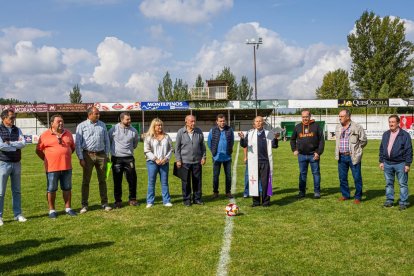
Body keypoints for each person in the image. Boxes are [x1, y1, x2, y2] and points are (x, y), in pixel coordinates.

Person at [36, 114, 77, 218]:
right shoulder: (45, 135)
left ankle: (68, 208)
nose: (61, 123)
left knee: (67, 188)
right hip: (52, 168)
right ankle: (52, 210)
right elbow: (38, 150)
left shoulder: (68, 133)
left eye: (62, 121)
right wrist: (47, 159)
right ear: (52, 123)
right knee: (51, 189)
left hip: (67, 167)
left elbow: (72, 148)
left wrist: (64, 155)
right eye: (58, 121)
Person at [75, 107, 112, 213]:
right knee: (86, 181)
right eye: (96, 114)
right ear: (90, 114)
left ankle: (104, 203)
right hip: (87, 155)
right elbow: (78, 143)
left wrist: (107, 154)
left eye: (99, 114)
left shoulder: (102, 125)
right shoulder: (81, 126)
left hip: (101, 155)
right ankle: (84, 205)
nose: (98, 115)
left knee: (102, 180)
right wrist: (81, 158)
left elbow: (107, 140)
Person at [239, 116, 278, 207]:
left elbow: (274, 146)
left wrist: (275, 138)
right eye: (257, 121)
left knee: (265, 182)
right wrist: (242, 138)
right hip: (254, 162)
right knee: (254, 181)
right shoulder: (250, 133)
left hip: (265, 162)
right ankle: (256, 202)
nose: (258, 123)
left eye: (260, 121)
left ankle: (266, 202)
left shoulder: (269, 133)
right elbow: (244, 144)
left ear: (263, 123)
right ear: (254, 123)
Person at [379, 115, 412, 210]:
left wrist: (407, 164)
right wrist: (381, 161)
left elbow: (409, 150)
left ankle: (403, 202)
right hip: (387, 163)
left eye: (393, 122)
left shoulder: (404, 135)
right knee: (389, 183)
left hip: (400, 163)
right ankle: (389, 201)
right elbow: (382, 148)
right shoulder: (385, 134)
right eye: (390, 122)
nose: (391, 124)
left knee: (402, 184)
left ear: (398, 123)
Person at [290, 109, 325, 199]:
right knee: (302, 174)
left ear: (310, 116)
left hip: (314, 155)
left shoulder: (316, 126)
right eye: (303, 117)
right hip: (301, 155)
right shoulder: (297, 127)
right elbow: (292, 139)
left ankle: (317, 192)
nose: (305, 118)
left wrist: (318, 152)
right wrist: (294, 149)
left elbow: (321, 140)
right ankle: (302, 192)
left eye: (306, 116)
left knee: (316, 173)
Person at [0, 109, 27, 226]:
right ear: (4, 118)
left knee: (17, 191)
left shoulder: (17, 129)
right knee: (0, 192)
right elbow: (1, 146)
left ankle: (18, 214)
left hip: (17, 163)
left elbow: (23, 144)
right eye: (11, 117)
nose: (13, 119)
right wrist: (16, 144)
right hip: (3, 163)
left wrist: (10, 144)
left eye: (14, 117)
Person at [335, 109, 367, 204]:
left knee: (357, 177)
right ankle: (345, 195)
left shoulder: (357, 127)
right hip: (341, 156)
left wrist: (357, 150)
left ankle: (358, 197)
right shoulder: (338, 127)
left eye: (341, 116)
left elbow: (364, 141)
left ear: (348, 117)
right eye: (339, 116)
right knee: (342, 177)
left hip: (353, 156)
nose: (339, 118)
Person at [108, 112, 139, 209]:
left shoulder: (133, 130)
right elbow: (109, 141)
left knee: (132, 180)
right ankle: (118, 201)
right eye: (127, 119)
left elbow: (135, 144)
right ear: (121, 119)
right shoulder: (113, 129)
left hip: (129, 158)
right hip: (116, 158)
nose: (129, 121)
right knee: (117, 180)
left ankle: (132, 199)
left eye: (130, 119)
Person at [175, 115, 206, 206]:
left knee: (197, 181)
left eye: (194, 121)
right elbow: (177, 148)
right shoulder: (181, 132)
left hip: (197, 161)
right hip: (184, 162)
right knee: (186, 182)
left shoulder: (199, 131)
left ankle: (197, 199)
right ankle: (187, 199)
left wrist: (203, 157)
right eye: (191, 121)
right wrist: (178, 160)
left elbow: (202, 146)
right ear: (186, 122)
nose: (193, 123)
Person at [144, 118, 173, 208]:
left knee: (164, 182)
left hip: (164, 163)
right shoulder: (148, 137)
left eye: (161, 125)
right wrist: (155, 159)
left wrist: (165, 159)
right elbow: (146, 150)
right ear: (153, 126)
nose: (160, 127)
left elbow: (171, 149)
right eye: (158, 125)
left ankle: (166, 201)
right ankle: (150, 201)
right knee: (151, 182)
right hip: (152, 163)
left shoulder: (167, 136)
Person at [207, 114, 234, 199]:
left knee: (228, 176)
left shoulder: (230, 130)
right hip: (216, 157)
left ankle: (228, 192)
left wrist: (229, 150)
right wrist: (214, 152)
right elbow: (209, 142)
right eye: (220, 121)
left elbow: (232, 141)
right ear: (217, 122)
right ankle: (215, 192)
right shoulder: (213, 130)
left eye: (223, 121)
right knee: (215, 176)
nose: (222, 122)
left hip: (227, 157)